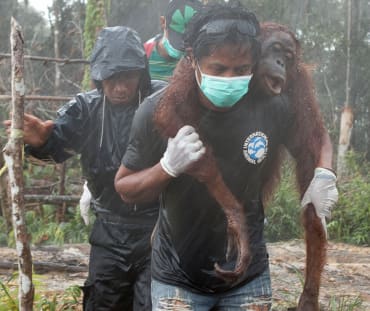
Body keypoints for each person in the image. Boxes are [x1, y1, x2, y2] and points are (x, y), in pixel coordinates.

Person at [114, 3, 339, 310]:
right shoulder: (167, 102)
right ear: (193, 61)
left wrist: (325, 173)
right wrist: (167, 167)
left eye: (241, 69)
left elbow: (315, 135)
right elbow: (130, 184)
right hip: (179, 279)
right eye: (219, 69)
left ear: (250, 59)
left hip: (249, 280)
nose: (230, 77)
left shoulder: (279, 104)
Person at [5, 26, 166, 310]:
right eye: (111, 77)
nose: (119, 87)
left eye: (127, 76)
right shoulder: (86, 108)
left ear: (141, 73)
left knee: (154, 303)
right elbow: (56, 147)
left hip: (158, 228)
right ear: (98, 76)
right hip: (109, 229)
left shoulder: (162, 103)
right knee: (102, 301)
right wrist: (43, 141)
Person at [144, 0, 202, 81]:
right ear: (163, 22)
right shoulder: (144, 53)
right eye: (177, 37)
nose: (182, 48)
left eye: (188, 40)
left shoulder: (198, 60)